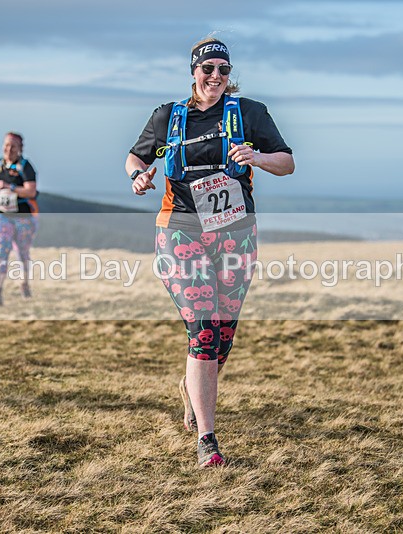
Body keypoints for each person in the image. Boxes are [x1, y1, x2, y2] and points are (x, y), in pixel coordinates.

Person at [125, 37, 294, 466]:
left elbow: (286, 161)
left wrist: (257, 157)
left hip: (236, 233)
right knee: (203, 329)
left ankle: (192, 386)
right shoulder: (168, 117)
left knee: (222, 336)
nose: (216, 76)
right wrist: (138, 177)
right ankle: (207, 440)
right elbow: (135, 158)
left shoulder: (250, 113)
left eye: (223, 69)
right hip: (180, 230)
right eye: (208, 68)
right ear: (194, 72)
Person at [0, 131, 39, 306]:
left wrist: (10, 187)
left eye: (13, 146)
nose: (9, 149)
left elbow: (31, 191)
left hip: (22, 217)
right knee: (1, 252)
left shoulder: (25, 167)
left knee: (22, 253)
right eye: (6, 145)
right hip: (0, 215)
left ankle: (24, 284)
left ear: (20, 149)